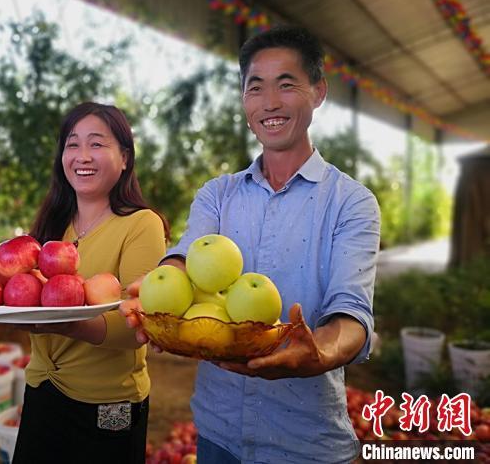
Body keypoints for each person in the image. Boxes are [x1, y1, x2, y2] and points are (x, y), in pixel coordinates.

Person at [121, 26, 381, 463]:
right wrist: (159, 294)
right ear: (244, 102)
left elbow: (351, 312)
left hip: (306, 441)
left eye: (287, 84)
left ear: (318, 92)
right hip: (217, 432)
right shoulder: (218, 195)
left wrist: (320, 352)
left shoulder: (351, 202)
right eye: (255, 88)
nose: (270, 103)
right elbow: (186, 259)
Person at [12, 102, 168, 464]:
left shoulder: (142, 225)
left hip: (107, 404)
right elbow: (26, 298)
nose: (83, 155)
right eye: (72, 144)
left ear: (125, 157)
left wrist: (62, 322)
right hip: (41, 389)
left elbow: (135, 327)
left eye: (97, 144)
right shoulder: (52, 230)